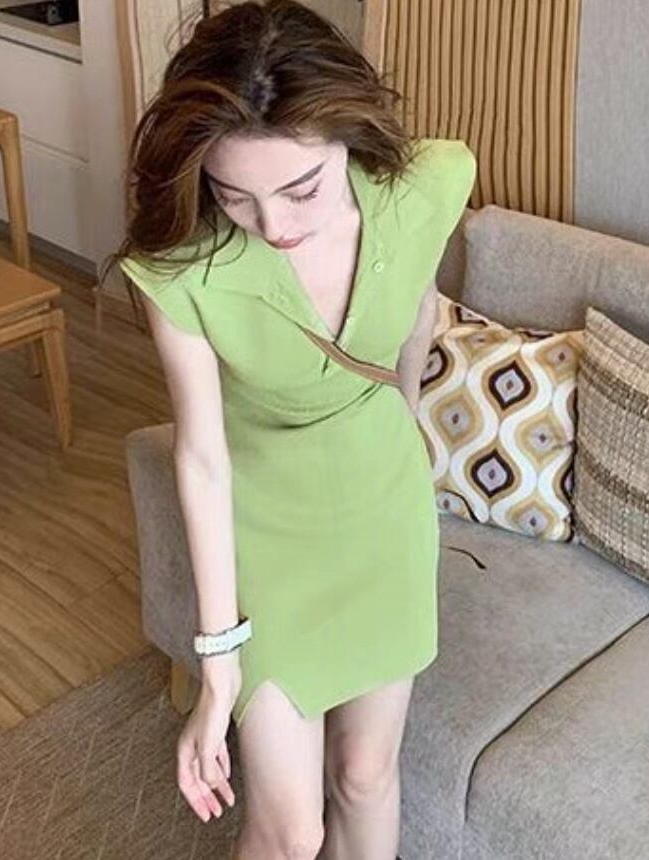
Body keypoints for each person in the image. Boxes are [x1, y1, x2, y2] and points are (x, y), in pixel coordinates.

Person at [101, 2, 476, 857]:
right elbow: (201, 457)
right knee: (289, 831)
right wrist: (217, 665)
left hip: (385, 515)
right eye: (235, 196)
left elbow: (419, 303)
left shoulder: (429, 185)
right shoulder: (184, 270)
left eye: (301, 189)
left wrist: (403, 415)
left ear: (350, 134)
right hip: (269, 538)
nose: (273, 226)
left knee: (366, 777)